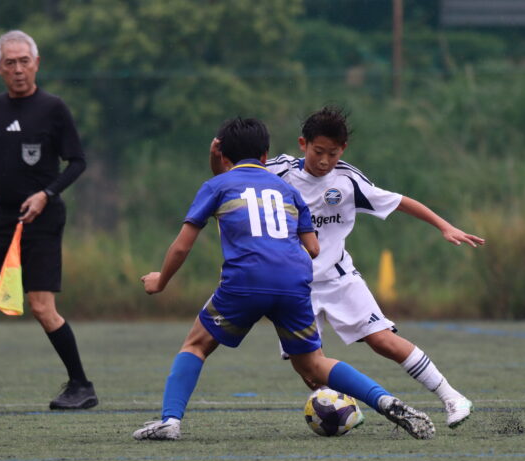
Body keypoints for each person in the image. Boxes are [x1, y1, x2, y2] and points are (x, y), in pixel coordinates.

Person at [132, 117, 435, 441]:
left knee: (196, 345)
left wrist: (161, 281)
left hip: (246, 280)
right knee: (313, 365)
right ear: (265, 155)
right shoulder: (288, 189)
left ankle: (170, 421)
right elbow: (314, 248)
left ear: (222, 155)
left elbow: (182, 246)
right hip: (294, 281)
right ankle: (385, 400)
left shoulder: (217, 186)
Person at [210, 106, 485, 428]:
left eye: (333, 153)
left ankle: (452, 397)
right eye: (318, 152)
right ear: (303, 144)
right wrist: (216, 157)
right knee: (309, 370)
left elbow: (400, 201)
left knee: (383, 340)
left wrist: (444, 226)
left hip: (339, 279)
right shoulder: (278, 171)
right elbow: (228, 182)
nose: (324, 161)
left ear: (343, 149)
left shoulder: (348, 180)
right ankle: (345, 412)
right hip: (292, 286)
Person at [0, 30, 97, 411]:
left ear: (36, 63)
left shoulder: (53, 108)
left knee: (41, 307)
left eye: (24, 61)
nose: (18, 69)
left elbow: (77, 162)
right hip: (3, 217)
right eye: (10, 63)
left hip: (43, 219)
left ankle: (81, 385)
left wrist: (46, 194)